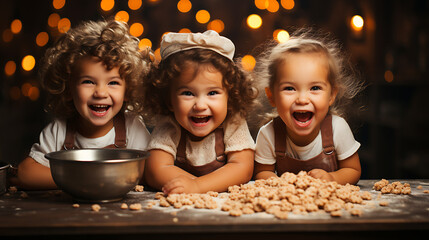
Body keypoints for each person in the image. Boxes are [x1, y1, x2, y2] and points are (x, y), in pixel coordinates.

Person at [10, 20, 152, 189]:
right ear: (69, 89)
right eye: (88, 82)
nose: (100, 92)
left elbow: (151, 171)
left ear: (128, 91)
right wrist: (83, 181)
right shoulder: (60, 130)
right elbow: (26, 172)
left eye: (113, 83)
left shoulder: (132, 127)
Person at [143, 30, 258, 194]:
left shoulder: (233, 122)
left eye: (212, 93)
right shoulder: (170, 124)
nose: (200, 105)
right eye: (188, 93)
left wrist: (197, 186)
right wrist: (195, 187)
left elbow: (242, 167)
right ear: (169, 101)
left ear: (230, 96)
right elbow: (155, 170)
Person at [253, 30, 363, 185]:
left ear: (331, 95)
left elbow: (353, 170)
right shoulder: (269, 134)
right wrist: (280, 184)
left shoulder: (337, 129)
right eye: (290, 88)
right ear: (271, 96)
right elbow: (262, 172)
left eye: (315, 88)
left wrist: (332, 178)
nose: (302, 99)